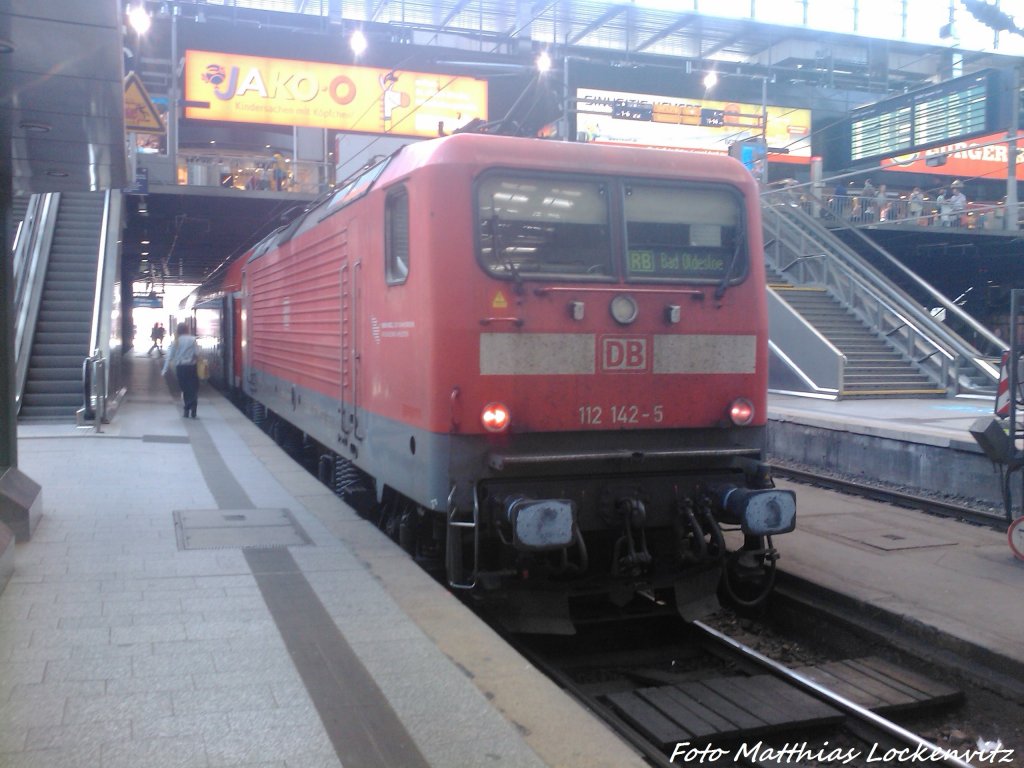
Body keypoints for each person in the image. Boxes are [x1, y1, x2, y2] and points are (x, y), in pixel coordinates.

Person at [162, 322, 199, 418]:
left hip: (180, 367)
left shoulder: (176, 341)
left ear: (178, 330)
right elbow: (197, 353)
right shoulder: (192, 340)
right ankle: (193, 407)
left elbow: (169, 356)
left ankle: (187, 409)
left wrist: (165, 369)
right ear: (187, 329)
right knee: (192, 387)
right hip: (191, 367)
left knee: (184, 388)